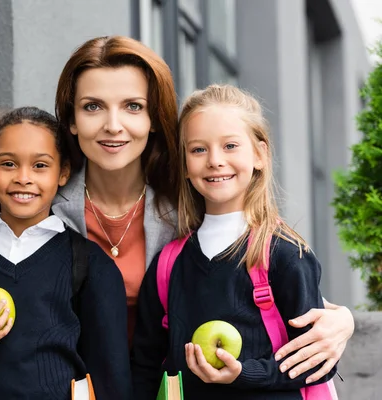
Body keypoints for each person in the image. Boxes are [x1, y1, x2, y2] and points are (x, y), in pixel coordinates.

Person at [0, 36, 354, 400]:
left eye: (132, 107)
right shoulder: (41, 199)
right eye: (93, 106)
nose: (113, 125)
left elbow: (266, 277)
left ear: (155, 118)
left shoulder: (190, 205)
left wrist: (343, 319)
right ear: (72, 120)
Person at [131, 84, 339, 399]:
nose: (214, 160)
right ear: (185, 165)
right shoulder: (168, 264)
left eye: (230, 146)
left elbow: (316, 361)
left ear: (259, 154)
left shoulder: (284, 254)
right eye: (198, 149)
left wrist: (244, 373)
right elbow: (145, 365)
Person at [0, 106, 132, 399]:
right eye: (8, 164)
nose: (23, 177)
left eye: (40, 166)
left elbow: (111, 375)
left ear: (63, 172)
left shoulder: (90, 265)